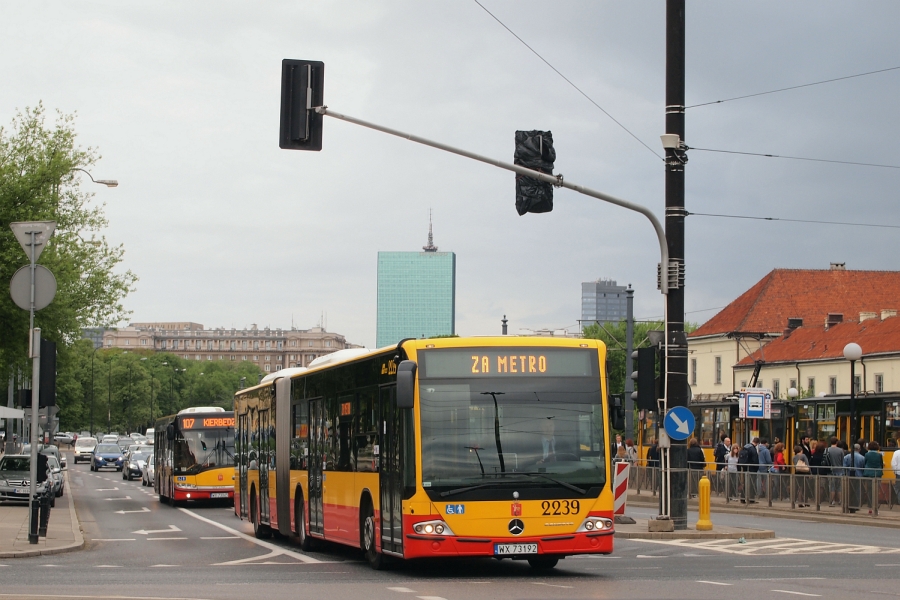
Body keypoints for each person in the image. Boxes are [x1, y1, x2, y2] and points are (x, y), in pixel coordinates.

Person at [863, 441, 884, 514]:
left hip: (868, 474)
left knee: (869, 491)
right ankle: (876, 508)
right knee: (876, 491)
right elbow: (881, 464)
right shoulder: (879, 455)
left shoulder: (866, 455)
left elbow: (864, 463)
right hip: (877, 474)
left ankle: (870, 508)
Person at [844, 443, 866, 513]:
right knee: (857, 491)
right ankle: (856, 506)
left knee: (849, 491)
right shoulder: (862, 457)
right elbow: (863, 467)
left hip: (848, 477)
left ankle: (848, 504)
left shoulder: (847, 457)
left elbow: (844, 467)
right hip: (859, 476)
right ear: (859, 449)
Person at [738, 437, 760, 503]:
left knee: (745, 483)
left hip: (745, 468)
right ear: (757, 443)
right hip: (751, 469)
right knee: (752, 484)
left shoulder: (745, 447)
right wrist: (756, 468)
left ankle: (742, 498)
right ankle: (751, 499)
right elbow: (755, 460)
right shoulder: (753, 449)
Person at [824, 436, 845, 506]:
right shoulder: (840, 450)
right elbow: (843, 461)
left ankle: (832, 501)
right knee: (839, 487)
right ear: (837, 442)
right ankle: (840, 500)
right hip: (839, 471)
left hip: (830, 471)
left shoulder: (827, 450)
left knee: (831, 486)